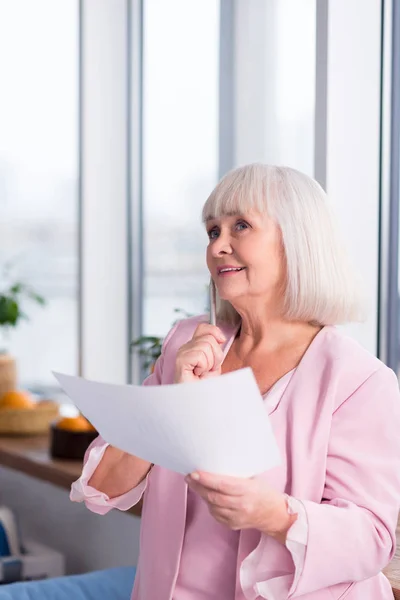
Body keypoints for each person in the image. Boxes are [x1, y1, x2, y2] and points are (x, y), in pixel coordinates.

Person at [71, 164, 400, 600]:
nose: (218, 246)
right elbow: (102, 487)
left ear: (296, 241)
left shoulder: (360, 380)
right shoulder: (185, 345)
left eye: (240, 226)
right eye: (212, 231)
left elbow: (373, 538)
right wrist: (173, 398)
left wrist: (275, 514)